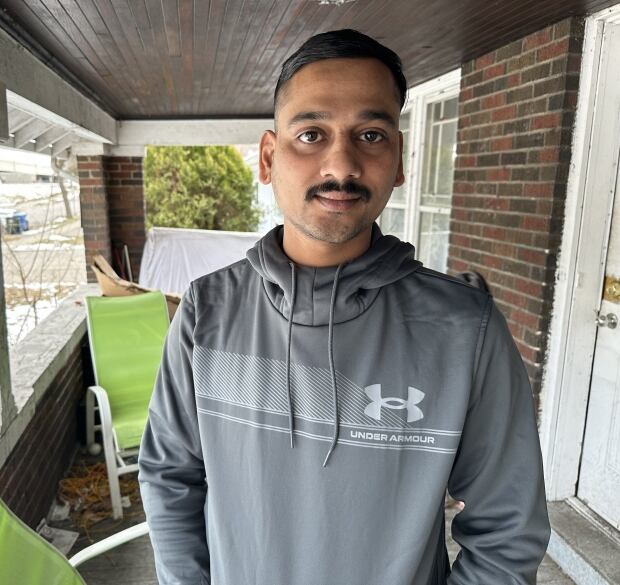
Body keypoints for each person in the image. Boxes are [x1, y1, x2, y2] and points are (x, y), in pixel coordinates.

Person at [138, 29, 550, 585]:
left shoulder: (462, 330)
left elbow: (509, 527)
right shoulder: (207, 312)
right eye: (311, 134)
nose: (342, 164)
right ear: (268, 156)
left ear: (399, 160)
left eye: (371, 134)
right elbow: (170, 478)